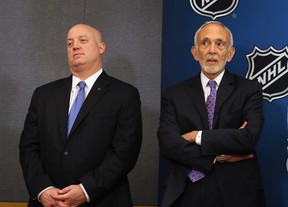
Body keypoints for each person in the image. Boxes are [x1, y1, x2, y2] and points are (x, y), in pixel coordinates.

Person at [19, 24, 142, 207]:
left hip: (102, 200)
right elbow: (28, 147)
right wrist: (43, 189)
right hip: (48, 202)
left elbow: (124, 153)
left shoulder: (124, 94)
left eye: (83, 40)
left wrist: (86, 190)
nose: (75, 46)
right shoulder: (43, 95)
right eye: (70, 43)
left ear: (101, 48)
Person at [157, 21, 266, 207]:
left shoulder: (249, 90)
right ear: (195, 52)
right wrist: (218, 157)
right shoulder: (174, 94)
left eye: (220, 43)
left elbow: (249, 137)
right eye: (205, 43)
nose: (212, 50)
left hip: (237, 192)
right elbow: (168, 144)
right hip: (187, 189)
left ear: (230, 54)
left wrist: (197, 136)